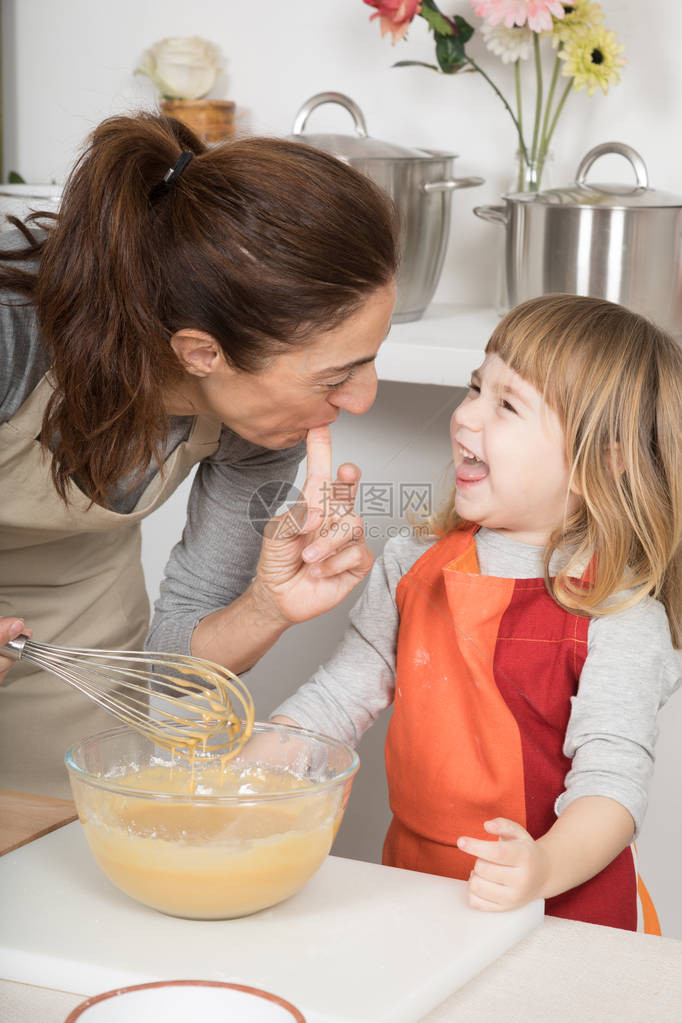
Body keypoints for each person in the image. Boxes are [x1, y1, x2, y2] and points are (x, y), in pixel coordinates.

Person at [0, 111, 398, 797]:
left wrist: (268, 606)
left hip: (85, 676)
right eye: (337, 375)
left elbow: (174, 660)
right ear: (201, 352)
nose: (363, 397)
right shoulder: (12, 333)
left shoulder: (258, 422)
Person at [272, 293, 682, 932]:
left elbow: (612, 785)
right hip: (417, 893)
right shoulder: (412, 563)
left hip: (563, 915)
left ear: (599, 461)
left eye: (506, 404)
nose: (464, 417)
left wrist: (541, 869)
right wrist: (274, 744)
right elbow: (343, 693)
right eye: (474, 388)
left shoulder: (619, 616)